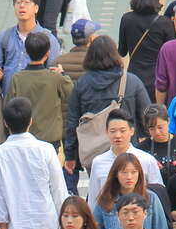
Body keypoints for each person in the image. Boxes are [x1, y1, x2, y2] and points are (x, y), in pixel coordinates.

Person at [0, 96, 67, 229]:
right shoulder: (46, 150)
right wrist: (65, 223)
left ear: (6, 124)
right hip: (49, 226)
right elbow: (59, 190)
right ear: (30, 121)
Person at [65, 37, 152, 186]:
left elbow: (73, 121)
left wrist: (70, 155)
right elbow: (147, 115)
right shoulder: (131, 81)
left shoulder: (82, 84)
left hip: (93, 151)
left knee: (99, 190)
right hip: (127, 148)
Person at [0, 0, 61, 128]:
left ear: (36, 8)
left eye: (27, 2)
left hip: (39, 105)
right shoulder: (5, 37)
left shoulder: (49, 39)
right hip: (10, 104)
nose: (22, 6)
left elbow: (53, 71)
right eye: (18, 2)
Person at [85, 109, 164, 210]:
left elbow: (158, 193)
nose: (118, 135)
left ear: (131, 131)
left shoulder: (146, 160)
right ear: (106, 132)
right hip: (109, 217)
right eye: (113, 131)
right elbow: (93, 198)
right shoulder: (98, 162)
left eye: (122, 131)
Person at [5, 32, 73, 148]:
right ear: (48, 53)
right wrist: (63, 74)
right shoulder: (55, 77)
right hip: (50, 137)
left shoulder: (17, 78)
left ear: (26, 52)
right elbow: (71, 94)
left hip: (24, 136)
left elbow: (9, 105)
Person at [119, 0, 176, 100]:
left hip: (134, 77)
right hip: (158, 79)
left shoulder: (127, 19)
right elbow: (171, 55)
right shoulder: (165, 23)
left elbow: (122, 51)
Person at [92, 153, 169, 229]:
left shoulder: (151, 198)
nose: (129, 177)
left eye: (134, 172)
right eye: (124, 172)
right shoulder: (106, 199)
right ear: (116, 174)